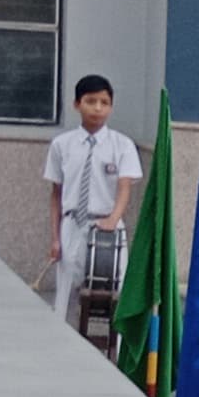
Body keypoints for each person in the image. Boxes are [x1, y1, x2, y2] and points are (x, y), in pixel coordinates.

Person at [43, 74, 145, 318]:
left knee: (112, 289)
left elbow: (124, 187)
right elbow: (56, 194)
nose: (98, 108)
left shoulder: (122, 145)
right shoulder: (62, 144)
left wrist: (112, 219)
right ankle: (62, 334)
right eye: (91, 101)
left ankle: (113, 341)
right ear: (77, 104)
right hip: (72, 223)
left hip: (107, 226)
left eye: (104, 102)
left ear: (111, 107)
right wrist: (55, 238)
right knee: (66, 290)